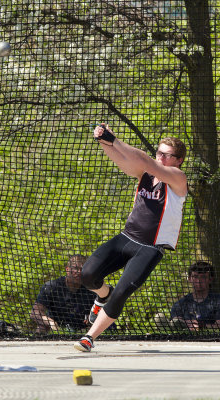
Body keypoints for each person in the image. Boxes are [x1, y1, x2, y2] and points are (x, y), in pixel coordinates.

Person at [74, 123, 187, 352]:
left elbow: (145, 160)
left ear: (178, 160)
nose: (161, 157)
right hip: (127, 238)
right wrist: (104, 141)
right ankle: (103, 295)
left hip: (151, 248)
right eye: (159, 152)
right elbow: (123, 161)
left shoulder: (177, 178)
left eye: (166, 155)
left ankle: (89, 337)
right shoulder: (145, 175)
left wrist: (114, 139)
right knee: (87, 275)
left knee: (123, 292)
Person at [30, 254, 96, 333]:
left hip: (82, 330)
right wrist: (50, 322)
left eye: (82, 269)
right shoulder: (52, 286)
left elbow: (100, 312)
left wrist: (92, 319)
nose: (79, 272)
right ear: (67, 269)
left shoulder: (92, 290)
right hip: (56, 329)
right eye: (76, 268)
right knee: (42, 327)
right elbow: (35, 312)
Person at [169, 261, 220, 331]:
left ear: (210, 279)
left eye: (203, 277)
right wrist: (187, 325)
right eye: (195, 277)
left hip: (212, 340)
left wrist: (201, 326)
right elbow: (176, 322)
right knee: (159, 318)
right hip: (184, 340)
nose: (198, 281)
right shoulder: (180, 304)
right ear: (189, 279)